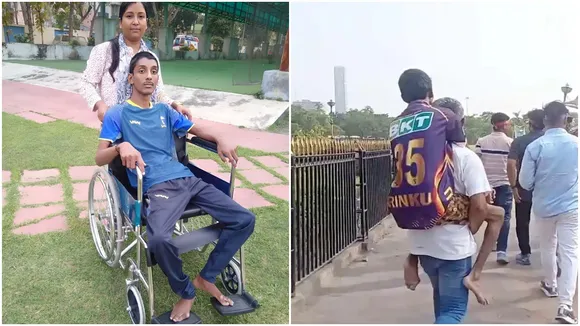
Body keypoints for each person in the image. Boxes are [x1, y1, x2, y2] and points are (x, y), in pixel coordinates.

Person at [95, 51, 256, 322]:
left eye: (154, 71)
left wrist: (220, 138)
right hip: (157, 185)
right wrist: (120, 145)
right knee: (158, 240)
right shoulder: (117, 114)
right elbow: (99, 157)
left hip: (188, 180)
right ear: (131, 77)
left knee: (244, 219)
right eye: (143, 71)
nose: (149, 76)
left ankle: (206, 278)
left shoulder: (165, 111)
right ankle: (186, 291)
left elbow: (196, 129)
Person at [389, 69, 501, 323]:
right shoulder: (464, 157)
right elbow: (481, 207)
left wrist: (411, 257)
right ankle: (474, 277)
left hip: (421, 244)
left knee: (441, 305)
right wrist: (468, 230)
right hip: (452, 248)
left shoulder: (406, 144)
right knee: (453, 312)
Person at [80, 1, 191, 122]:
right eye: (129, 16)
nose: (136, 22)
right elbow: (86, 83)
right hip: (115, 128)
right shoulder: (104, 51)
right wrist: (100, 104)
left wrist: (175, 105)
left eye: (141, 16)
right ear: (120, 22)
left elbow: (158, 92)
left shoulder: (151, 57)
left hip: (144, 127)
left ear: (146, 23)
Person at [519, 101, 578, 324]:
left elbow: (525, 182)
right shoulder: (576, 144)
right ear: (566, 120)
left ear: (544, 120)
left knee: (548, 246)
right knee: (570, 252)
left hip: (544, 206)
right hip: (572, 206)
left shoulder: (536, 146)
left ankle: (550, 284)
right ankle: (566, 305)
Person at [507, 109, 545, 266]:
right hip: (547, 190)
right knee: (551, 225)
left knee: (523, 222)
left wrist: (513, 186)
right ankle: (556, 256)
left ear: (531, 123)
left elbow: (510, 165)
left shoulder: (520, 141)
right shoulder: (554, 140)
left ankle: (525, 254)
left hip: (524, 188)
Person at [474, 113, 513, 264]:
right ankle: (502, 251)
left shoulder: (481, 142)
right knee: (505, 217)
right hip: (504, 184)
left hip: (485, 186)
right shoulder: (510, 143)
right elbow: (513, 165)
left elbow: (477, 163)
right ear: (504, 125)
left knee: (486, 215)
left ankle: (489, 244)